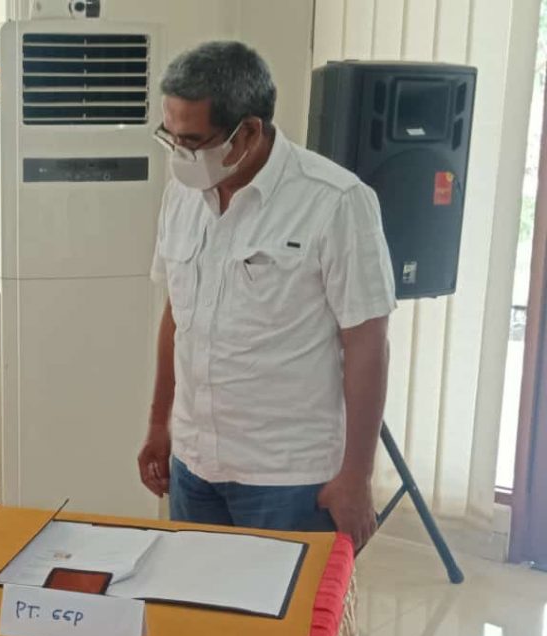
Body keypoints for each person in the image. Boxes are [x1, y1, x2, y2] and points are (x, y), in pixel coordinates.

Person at [137, 41, 396, 550]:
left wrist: (357, 476)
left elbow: (368, 344)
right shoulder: (182, 194)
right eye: (171, 138)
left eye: (193, 141)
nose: (181, 157)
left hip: (289, 479)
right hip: (196, 464)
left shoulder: (336, 202)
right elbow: (178, 314)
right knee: (201, 619)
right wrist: (158, 423)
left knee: (291, 628)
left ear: (248, 131)